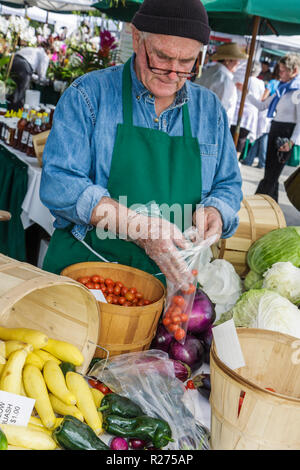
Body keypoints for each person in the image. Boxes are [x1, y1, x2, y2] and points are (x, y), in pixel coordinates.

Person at [40, 0, 243, 289]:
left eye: (186, 63)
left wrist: (216, 212)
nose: (173, 74)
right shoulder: (88, 95)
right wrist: (137, 226)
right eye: (161, 57)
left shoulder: (210, 110)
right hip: (88, 274)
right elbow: (59, 184)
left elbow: (228, 185)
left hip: (170, 286)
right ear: (137, 38)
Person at [247, 53, 300, 201]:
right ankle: (271, 207)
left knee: (272, 174)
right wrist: (246, 93)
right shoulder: (282, 88)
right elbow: (262, 105)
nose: (279, 73)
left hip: (286, 134)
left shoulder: (297, 90)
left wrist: (291, 142)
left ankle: (258, 203)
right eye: (279, 69)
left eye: (283, 70)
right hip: (275, 129)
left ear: (294, 70)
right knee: (270, 174)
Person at [195, 42, 248, 127]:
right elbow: (221, 113)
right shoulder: (225, 80)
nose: (238, 63)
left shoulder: (209, 72)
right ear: (227, 60)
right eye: (236, 60)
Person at [242, 64, 280, 168]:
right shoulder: (281, 85)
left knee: (262, 137)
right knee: (260, 138)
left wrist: (250, 95)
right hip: (273, 114)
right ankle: (249, 160)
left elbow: (263, 98)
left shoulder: (272, 83)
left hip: (265, 113)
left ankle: (261, 162)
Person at [231, 61, 265, 159]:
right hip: (249, 112)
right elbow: (260, 98)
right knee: (242, 138)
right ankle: (236, 158)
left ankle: (231, 157)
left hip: (238, 110)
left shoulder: (242, 79)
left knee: (232, 134)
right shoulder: (260, 83)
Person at [8, 44, 51, 111]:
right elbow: (41, 76)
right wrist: (49, 82)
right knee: (21, 91)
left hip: (13, 62)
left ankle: (9, 108)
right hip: (24, 65)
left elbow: (29, 74)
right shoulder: (44, 56)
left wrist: (35, 78)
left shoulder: (32, 49)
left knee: (15, 88)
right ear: (48, 52)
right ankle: (14, 112)